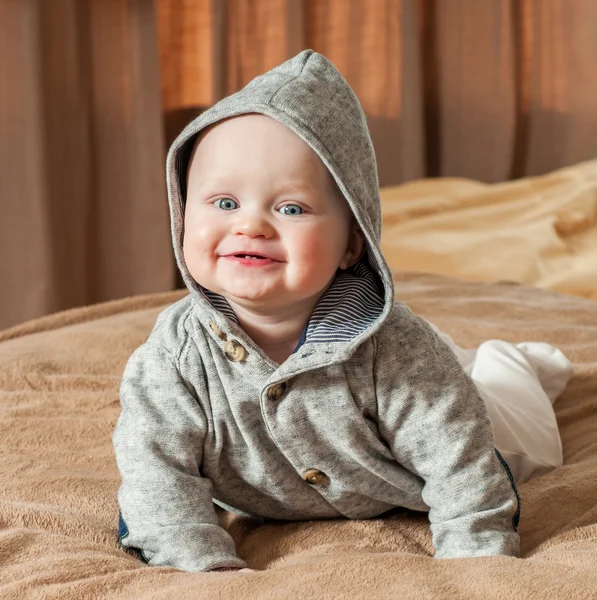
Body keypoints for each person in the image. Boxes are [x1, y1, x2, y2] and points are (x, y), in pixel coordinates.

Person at [112, 50, 573, 573]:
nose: (251, 226)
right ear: (182, 210)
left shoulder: (396, 351)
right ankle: (465, 360)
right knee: (437, 376)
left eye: (291, 209)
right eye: (223, 203)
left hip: (444, 438)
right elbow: (156, 477)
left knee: (519, 426)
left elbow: (462, 467)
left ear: (352, 244)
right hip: (368, 423)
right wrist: (202, 570)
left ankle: (512, 361)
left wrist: (474, 559)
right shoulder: (173, 355)